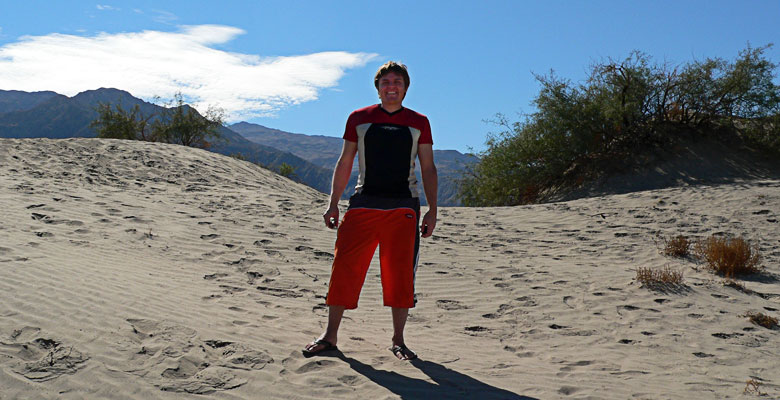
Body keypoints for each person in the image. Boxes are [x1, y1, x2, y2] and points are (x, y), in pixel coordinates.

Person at [302, 61, 438, 361]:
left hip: (404, 207)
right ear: (377, 87)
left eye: (397, 82)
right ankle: (330, 336)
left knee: (400, 275)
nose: (392, 86)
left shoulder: (419, 122)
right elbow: (345, 161)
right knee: (344, 269)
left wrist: (432, 210)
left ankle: (399, 341)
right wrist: (333, 202)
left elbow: (428, 167)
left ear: (406, 87)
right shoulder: (359, 118)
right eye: (386, 82)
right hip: (363, 203)